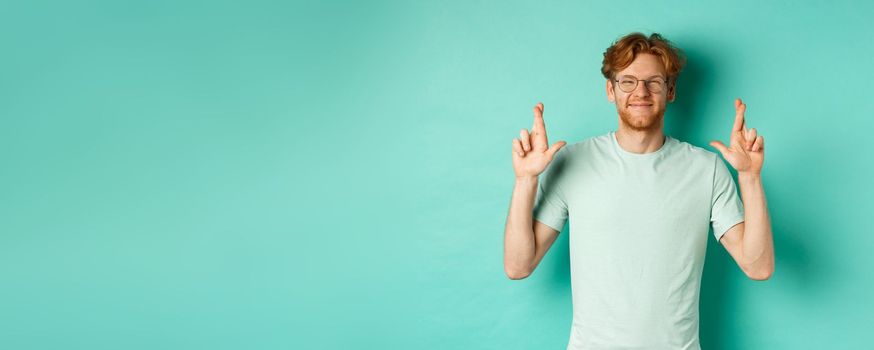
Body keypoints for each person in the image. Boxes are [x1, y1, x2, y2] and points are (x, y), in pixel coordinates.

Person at [502, 32, 774, 350]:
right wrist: (524, 181)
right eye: (628, 81)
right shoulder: (573, 162)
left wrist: (750, 177)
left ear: (670, 91)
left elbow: (758, 266)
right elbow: (518, 265)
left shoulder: (706, 169)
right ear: (611, 90)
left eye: (653, 82)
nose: (640, 92)